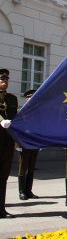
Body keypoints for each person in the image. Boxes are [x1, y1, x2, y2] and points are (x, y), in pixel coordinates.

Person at [0, 69, 18, 218]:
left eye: (6, 79)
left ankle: (1, 208)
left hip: (7, 140)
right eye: (1, 79)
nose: (4, 81)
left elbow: (16, 116)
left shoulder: (12, 99)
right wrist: (1, 120)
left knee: (3, 174)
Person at [16, 89, 40, 200]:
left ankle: (29, 190)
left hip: (34, 144)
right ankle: (22, 191)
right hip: (23, 144)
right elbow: (16, 129)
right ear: (26, 98)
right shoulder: (20, 112)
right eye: (29, 97)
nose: (31, 98)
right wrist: (18, 145)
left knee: (31, 168)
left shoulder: (37, 112)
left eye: (33, 96)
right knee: (23, 168)